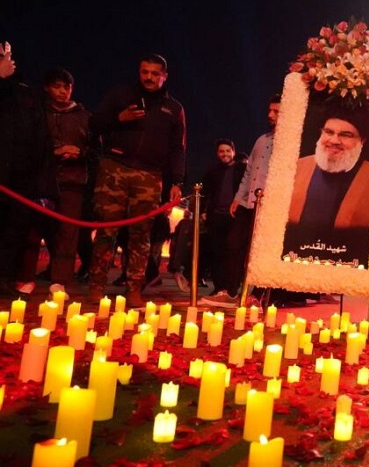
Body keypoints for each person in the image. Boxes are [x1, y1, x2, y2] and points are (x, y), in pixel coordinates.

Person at [87, 53, 186, 307]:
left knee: (141, 235)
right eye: (145, 72)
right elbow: (94, 123)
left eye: (155, 73)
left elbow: (177, 149)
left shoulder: (174, 109)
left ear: (164, 76)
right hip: (114, 168)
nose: (149, 77)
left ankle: (134, 289)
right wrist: (118, 119)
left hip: (149, 176)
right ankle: (96, 285)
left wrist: (177, 181)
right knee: (106, 229)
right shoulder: (120, 95)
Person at [200, 95, 280, 308]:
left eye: (276, 111)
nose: (270, 115)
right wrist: (238, 198)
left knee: (261, 251)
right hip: (247, 203)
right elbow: (248, 173)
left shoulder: (290, 143)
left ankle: (257, 295)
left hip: (271, 206)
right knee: (233, 246)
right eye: (269, 110)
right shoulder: (261, 140)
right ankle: (229, 292)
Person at [282, 101, 369, 267]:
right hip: (294, 261)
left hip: (347, 266)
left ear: (362, 140)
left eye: (346, 135)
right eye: (329, 132)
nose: (334, 140)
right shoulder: (297, 167)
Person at [0, 43, 57, 297]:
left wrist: (43, 186)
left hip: (20, 177)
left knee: (13, 231)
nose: (6, 59)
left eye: (7, 55)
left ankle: (4, 278)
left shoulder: (27, 94)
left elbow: (41, 139)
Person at [31, 68, 93, 296]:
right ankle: (24, 277)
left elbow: (96, 148)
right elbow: (29, 144)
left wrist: (80, 152)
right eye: (57, 86)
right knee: (35, 227)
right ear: (47, 88)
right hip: (41, 179)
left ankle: (60, 281)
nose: (62, 91)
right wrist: (56, 151)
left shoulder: (84, 117)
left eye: (66, 87)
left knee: (68, 232)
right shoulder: (38, 113)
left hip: (73, 181)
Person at [198, 139, 243, 293]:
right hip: (216, 216)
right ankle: (218, 288)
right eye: (221, 151)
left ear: (233, 152)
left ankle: (231, 289)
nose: (225, 154)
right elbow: (205, 194)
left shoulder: (242, 169)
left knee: (233, 253)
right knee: (216, 253)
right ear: (217, 153)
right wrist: (203, 211)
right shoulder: (212, 171)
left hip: (235, 217)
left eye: (228, 151)